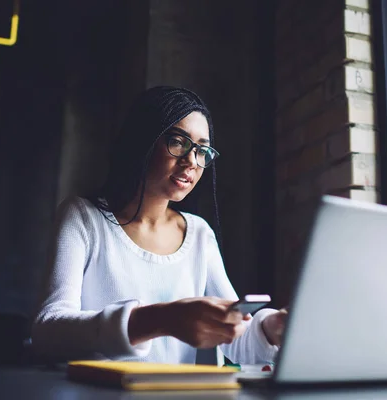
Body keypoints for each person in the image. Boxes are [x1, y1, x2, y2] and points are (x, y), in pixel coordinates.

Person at [32, 86, 287, 364]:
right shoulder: (82, 217)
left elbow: (235, 336)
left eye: (202, 150)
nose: (191, 161)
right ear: (143, 141)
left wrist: (271, 328)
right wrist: (161, 319)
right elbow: (48, 329)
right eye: (178, 142)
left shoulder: (199, 234)